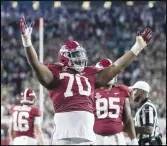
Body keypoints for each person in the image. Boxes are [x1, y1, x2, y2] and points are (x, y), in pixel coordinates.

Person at [20, 16, 152, 145]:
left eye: (80, 55)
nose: (80, 59)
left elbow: (116, 67)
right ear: (64, 58)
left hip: (87, 134)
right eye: (76, 56)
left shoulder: (91, 74)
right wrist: (27, 42)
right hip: (64, 133)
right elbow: (36, 65)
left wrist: (137, 48)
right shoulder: (55, 72)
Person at [93, 58, 138, 145]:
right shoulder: (91, 91)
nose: (111, 75)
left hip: (117, 138)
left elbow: (128, 118)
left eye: (112, 72)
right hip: (96, 138)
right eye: (107, 72)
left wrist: (134, 139)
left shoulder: (122, 90)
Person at [130, 81, 163, 145]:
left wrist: (130, 128)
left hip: (149, 142)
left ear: (141, 92)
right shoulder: (143, 106)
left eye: (134, 90)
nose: (132, 93)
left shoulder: (147, 107)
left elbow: (149, 130)